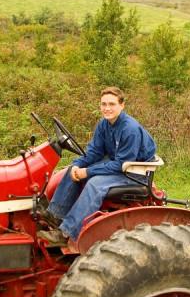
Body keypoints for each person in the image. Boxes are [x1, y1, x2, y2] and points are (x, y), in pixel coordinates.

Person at [43, 87, 157, 243]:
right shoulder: (104, 125)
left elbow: (120, 164)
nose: (107, 108)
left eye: (112, 104)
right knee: (71, 171)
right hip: (118, 164)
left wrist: (88, 172)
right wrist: (77, 165)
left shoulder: (130, 129)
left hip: (134, 171)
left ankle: (65, 233)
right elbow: (94, 152)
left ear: (121, 105)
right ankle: (55, 216)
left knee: (95, 184)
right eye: (104, 104)